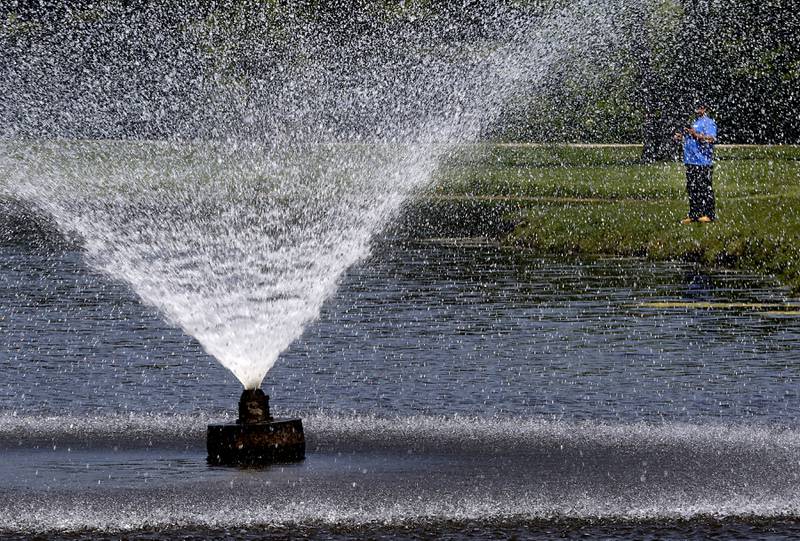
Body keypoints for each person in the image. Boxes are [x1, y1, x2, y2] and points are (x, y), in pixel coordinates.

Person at [674, 103, 717, 224]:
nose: (697, 108)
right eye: (696, 106)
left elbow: (711, 139)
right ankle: (694, 215)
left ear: (705, 108)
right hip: (690, 161)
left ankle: (709, 214)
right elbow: (692, 137)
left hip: (702, 162)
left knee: (704, 188)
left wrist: (695, 134)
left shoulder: (708, 122)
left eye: (700, 106)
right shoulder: (695, 122)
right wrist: (682, 137)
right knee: (692, 189)